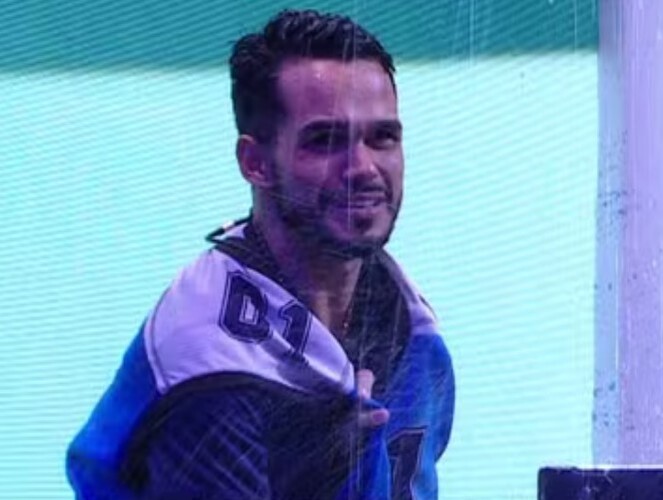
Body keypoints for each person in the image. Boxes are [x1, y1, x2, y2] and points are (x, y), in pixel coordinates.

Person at [66, 9, 454, 499]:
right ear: (255, 163)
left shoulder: (409, 325)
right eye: (325, 141)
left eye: (382, 138)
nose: (363, 168)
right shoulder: (212, 365)